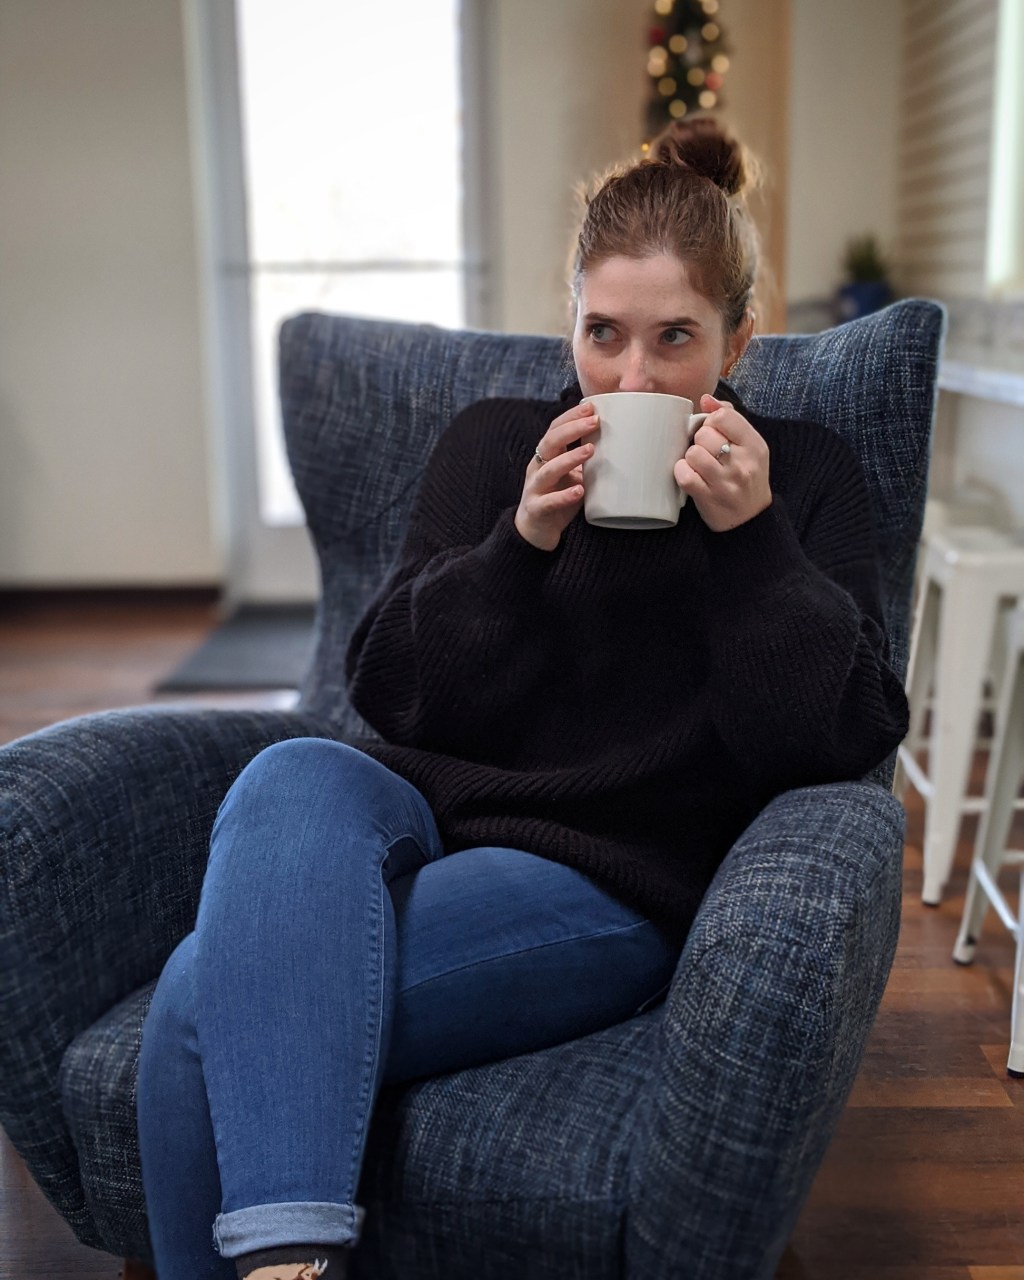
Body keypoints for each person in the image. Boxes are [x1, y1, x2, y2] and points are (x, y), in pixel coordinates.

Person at [136, 116, 909, 1280]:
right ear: (570, 320)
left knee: (199, 1005)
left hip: (604, 873)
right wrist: (519, 543)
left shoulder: (798, 477)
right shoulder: (497, 444)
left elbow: (832, 737)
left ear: (739, 343)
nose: (632, 379)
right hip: (420, 810)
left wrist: (749, 544)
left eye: (674, 341)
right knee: (292, 768)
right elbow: (391, 691)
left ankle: (285, 1259)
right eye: (602, 335)